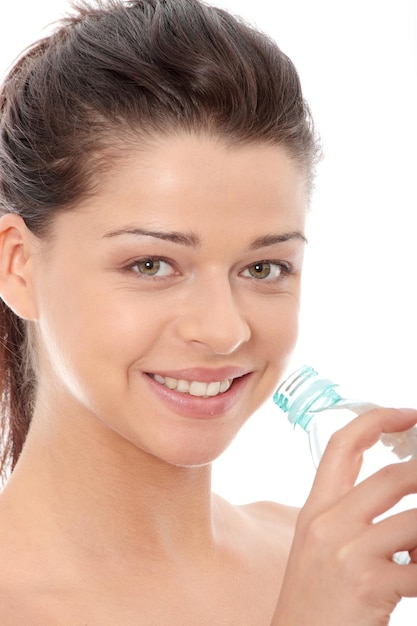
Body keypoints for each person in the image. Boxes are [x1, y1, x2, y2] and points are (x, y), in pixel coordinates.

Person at [0, 0, 415, 623]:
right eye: (151, 265)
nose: (224, 331)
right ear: (18, 267)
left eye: (263, 268)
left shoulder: (331, 561)